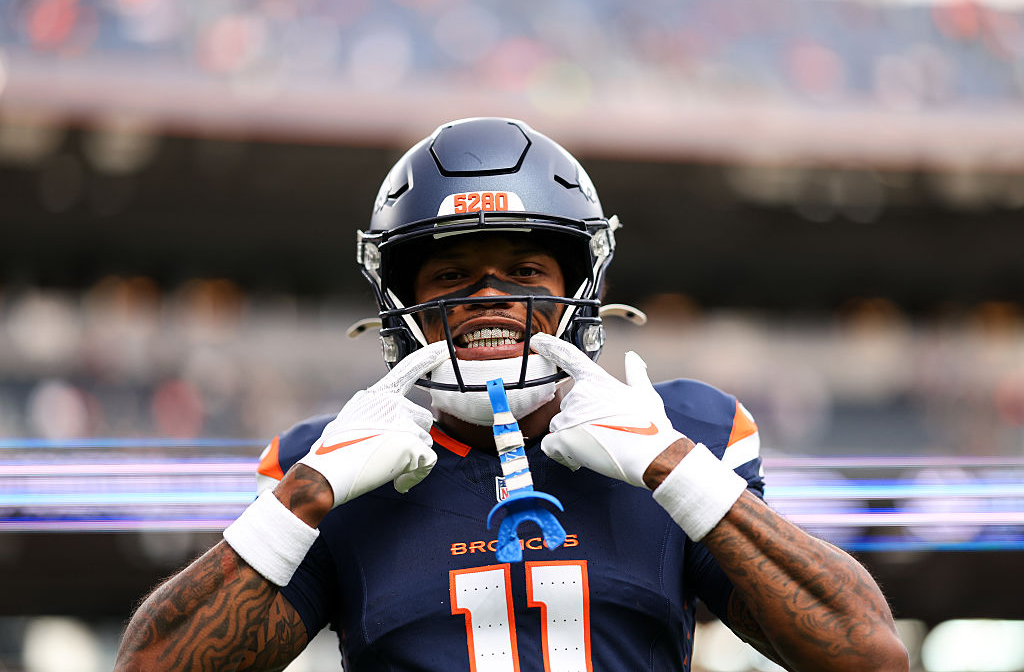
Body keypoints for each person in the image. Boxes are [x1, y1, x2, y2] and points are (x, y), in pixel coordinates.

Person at [116, 118, 908, 671]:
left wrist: (673, 467)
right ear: (401, 304)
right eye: (451, 276)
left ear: (579, 288)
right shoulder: (323, 466)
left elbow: (867, 654)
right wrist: (305, 497)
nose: (489, 298)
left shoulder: (689, 428)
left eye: (526, 272)